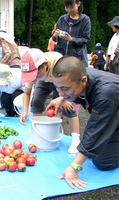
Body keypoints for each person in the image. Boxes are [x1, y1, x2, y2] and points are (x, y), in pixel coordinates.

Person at [47, 55, 119, 189]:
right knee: (91, 151)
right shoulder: (78, 76)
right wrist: (61, 99)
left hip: (113, 111)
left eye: (65, 88)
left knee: (103, 161)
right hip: (113, 112)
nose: (61, 93)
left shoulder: (105, 93)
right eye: (57, 88)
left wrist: (74, 167)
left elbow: (95, 131)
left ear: (83, 80)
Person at [20, 49, 80, 153]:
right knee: (36, 101)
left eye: (36, 74)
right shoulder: (33, 70)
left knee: (68, 105)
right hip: (44, 81)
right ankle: (37, 136)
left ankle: (76, 139)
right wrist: (25, 111)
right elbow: (27, 93)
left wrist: (63, 98)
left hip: (62, 81)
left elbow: (72, 86)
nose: (34, 77)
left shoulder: (59, 64)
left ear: (46, 64)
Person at [52, 0, 91, 68]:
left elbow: (86, 39)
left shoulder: (85, 20)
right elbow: (54, 39)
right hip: (61, 57)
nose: (69, 10)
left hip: (76, 58)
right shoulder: (62, 19)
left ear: (78, 4)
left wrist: (71, 39)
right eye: (67, 7)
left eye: (72, 7)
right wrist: (55, 35)